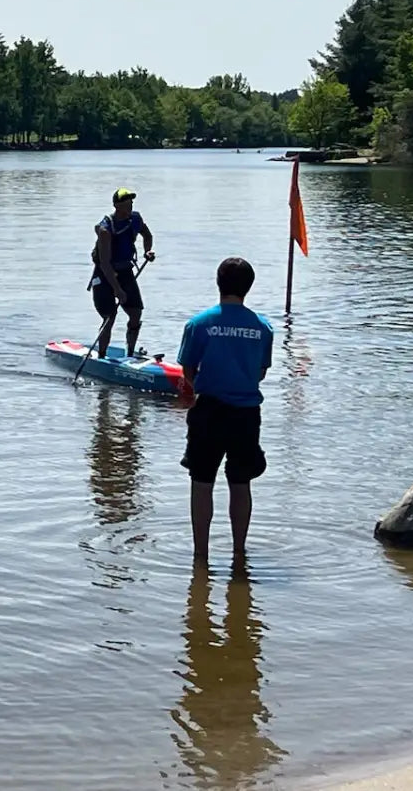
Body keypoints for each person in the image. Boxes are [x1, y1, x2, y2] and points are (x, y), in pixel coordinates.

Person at [177, 258, 273, 567]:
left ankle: (200, 556)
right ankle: (238, 552)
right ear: (249, 286)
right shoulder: (263, 328)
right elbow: (260, 372)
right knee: (241, 482)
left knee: (202, 481)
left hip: (209, 410)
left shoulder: (199, 324)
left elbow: (188, 369)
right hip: (246, 413)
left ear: (218, 283)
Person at [90, 187, 155, 358]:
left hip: (125, 269)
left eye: (131, 203)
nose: (130, 207)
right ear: (117, 206)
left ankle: (130, 353)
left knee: (135, 313)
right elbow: (104, 263)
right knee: (109, 317)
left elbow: (147, 235)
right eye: (127, 204)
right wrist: (117, 289)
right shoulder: (106, 229)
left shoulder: (135, 219)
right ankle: (102, 356)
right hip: (104, 274)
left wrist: (147, 251)